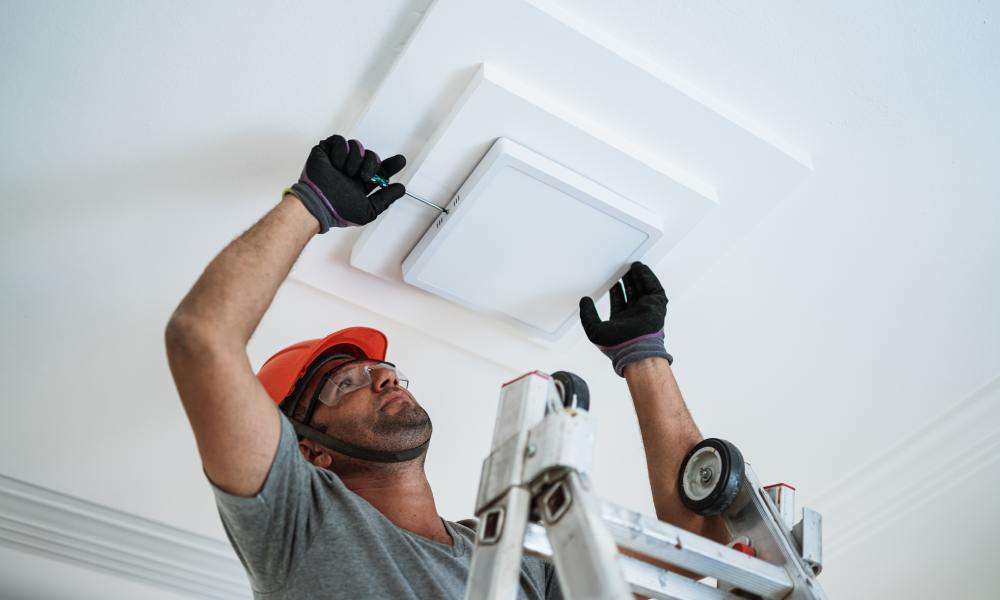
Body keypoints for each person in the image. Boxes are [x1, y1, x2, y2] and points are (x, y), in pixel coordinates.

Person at [164, 134, 726, 599]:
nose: (384, 377)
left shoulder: (516, 553)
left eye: (383, 368)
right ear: (310, 450)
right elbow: (201, 339)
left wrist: (643, 357)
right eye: (344, 383)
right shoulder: (300, 527)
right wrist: (310, 205)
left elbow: (695, 551)